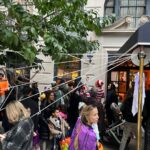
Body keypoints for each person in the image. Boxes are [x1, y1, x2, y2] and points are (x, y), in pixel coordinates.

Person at [119, 86, 137, 150]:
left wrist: (125, 116)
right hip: (136, 121)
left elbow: (122, 109)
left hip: (128, 121)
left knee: (124, 138)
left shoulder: (126, 100)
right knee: (139, 138)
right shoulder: (137, 101)